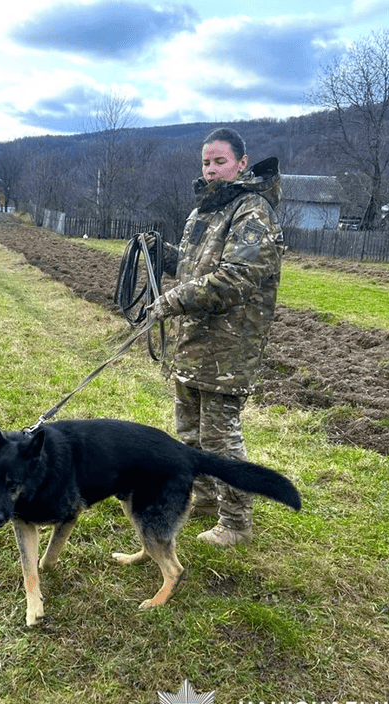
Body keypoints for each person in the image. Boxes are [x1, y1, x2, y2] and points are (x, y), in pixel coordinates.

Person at [148, 127, 285, 547]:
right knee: (188, 433)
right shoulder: (205, 212)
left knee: (220, 438)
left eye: (220, 161)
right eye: (206, 163)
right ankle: (205, 498)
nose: (211, 170)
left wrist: (173, 300)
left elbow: (237, 277)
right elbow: (195, 269)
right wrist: (162, 252)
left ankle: (236, 522)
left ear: (242, 164)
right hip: (194, 343)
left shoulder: (252, 211)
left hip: (229, 346)